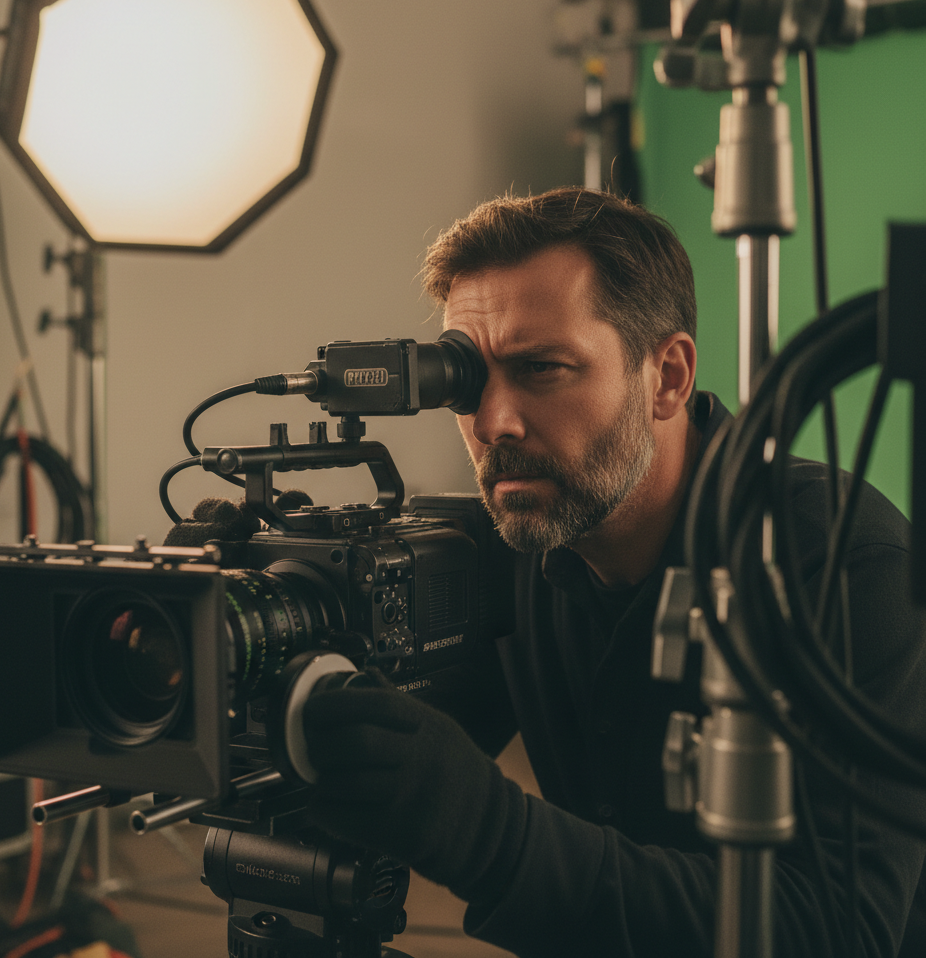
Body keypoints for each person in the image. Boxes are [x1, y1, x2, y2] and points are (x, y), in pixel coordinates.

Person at [169, 188, 926, 956]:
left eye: (543, 369)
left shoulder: (844, 566)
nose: (493, 421)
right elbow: (380, 766)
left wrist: (493, 836)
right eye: (466, 381)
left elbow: (837, 933)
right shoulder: (514, 545)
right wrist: (239, 627)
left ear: (667, 377)